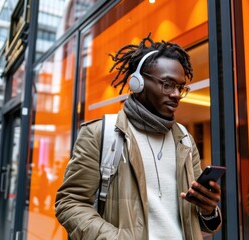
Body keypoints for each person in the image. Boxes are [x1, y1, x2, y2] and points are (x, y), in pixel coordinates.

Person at [55, 34, 222, 239]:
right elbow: (70, 202)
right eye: (167, 84)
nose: (176, 94)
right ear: (138, 83)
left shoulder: (185, 140)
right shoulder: (100, 134)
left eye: (180, 87)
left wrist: (208, 210)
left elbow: (196, 218)